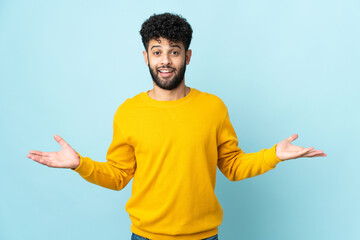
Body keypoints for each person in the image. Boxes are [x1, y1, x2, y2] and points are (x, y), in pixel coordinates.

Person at [27, 12, 326, 240]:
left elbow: (233, 167)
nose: (165, 60)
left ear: (187, 56)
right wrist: (80, 164)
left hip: (204, 236)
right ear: (146, 57)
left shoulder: (213, 107)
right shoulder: (128, 112)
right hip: (145, 237)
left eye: (174, 50)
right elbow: (119, 175)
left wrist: (274, 153)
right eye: (157, 52)